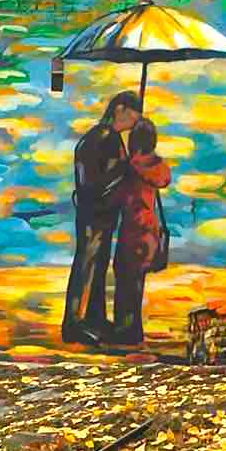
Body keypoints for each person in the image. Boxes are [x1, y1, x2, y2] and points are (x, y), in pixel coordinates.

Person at [62, 91, 142, 345]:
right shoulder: (104, 137)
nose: (136, 119)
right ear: (119, 109)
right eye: (133, 113)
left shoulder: (108, 137)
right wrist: (125, 172)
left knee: (97, 264)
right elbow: (96, 182)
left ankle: (94, 318)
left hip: (101, 213)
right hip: (95, 212)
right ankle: (75, 323)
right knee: (88, 264)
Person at [112, 118, 171, 345]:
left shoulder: (130, 167)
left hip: (132, 228)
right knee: (136, 281)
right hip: (150, 229)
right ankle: (133, 330)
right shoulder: (157, 166)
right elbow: (163, 178)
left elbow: (119, 195)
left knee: (125, 279)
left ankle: (125, 331)